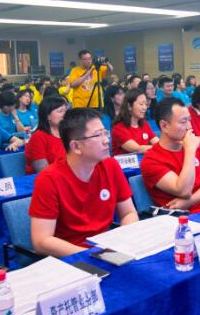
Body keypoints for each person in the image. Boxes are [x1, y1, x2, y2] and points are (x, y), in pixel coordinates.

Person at [29, 108, 138, 256]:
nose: (106, 140)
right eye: (98, 135)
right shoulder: (48, 179)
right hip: (71, 256)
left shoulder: (110, 165)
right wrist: (94, 255)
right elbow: (41, 241)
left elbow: (129, 213)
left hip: (107, 249)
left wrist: (122, 241)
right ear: (76, 146)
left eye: (105, 132)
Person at [141, 97, 200, 214]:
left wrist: (189, 202)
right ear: (164, 126)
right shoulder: (151, 160)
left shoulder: (194, 145)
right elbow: (184, 191)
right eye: (183, 122)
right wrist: (190, 151)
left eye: (189, 120)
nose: (189, 127)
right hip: (183, 219)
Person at [25, 97, 67, 174]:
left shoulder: (67, 133)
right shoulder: (38, 137)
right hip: (46, 178)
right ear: (47, 116)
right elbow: (44, 171)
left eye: (65, 111)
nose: (65, 114)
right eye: (60, 111)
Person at [111, 89, 159, 154]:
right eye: (141, 104)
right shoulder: (118, 128)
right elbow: (137, 149)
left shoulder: (144, 124)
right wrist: (160, 148)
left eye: (146, 104)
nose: (145, 107)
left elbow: (156, 141)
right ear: (129, 106)